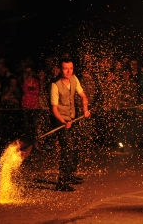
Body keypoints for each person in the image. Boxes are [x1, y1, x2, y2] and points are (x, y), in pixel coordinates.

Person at [50, 57, 91, 191]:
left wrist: (85, 109)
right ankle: (61, 182)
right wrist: (63, 121)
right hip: (60, 120)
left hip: (72, 118)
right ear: (60, 69)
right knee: (66, 149)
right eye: (65, 68)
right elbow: (54, 109)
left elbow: (83, 96)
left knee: (75, 146)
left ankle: (70, 175)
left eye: (71, 68)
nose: (68, 71)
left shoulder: (74, 79)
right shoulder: (55, 84)